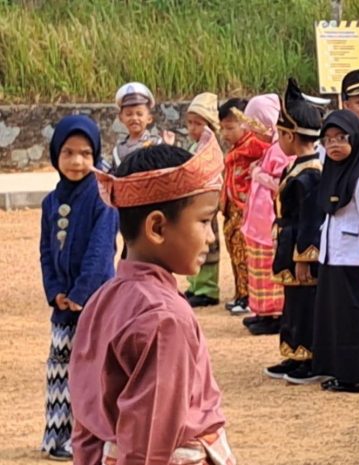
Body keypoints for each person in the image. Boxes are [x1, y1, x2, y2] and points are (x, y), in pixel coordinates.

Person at [70, 144, 235, 465]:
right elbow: (148, 442)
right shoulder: (165, 319)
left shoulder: (100, 301)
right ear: (157, 228)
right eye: (204, 221)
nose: (212, 237)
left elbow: (87, 420)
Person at [39, 116, 118, 461]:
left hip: (94, 305)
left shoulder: (103, 197)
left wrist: (81, 295)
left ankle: (87, 440)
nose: (76, 162)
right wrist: (55, 291)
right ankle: (57, 437)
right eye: (68, 153)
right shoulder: (50, 202)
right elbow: (45, 252)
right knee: (60, 368)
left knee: (91, 373)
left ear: (96, 155)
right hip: (62, 307)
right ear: (55, 154)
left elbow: (100, 252)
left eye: (86, 154)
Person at [312, 109, 359, 393]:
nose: (335, 145)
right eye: (328, 140)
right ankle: (340, 370)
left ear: (355, 139)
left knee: (354, 316)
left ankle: (358, 374)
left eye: (341, 138)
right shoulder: (330, 172)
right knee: (336, 315)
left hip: (354, 257)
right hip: (332, 255)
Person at [264, 80, 325, 383]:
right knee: (293, 303)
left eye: (279, 134)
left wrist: (304, 257)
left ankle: (310, 356)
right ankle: (293, 353)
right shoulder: (297, 166)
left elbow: (311, 219)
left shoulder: (310, 172)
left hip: (300, 248)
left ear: (289, 135)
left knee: (305, 305)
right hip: (288, 243)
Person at [232, 95, 290, 335]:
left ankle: (275, 313)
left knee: (269, 269)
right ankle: (263, 310)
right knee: (259, 267)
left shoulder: (281, 149)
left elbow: (285, 181)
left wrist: (259, 175)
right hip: (258, 222)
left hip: (269, 221)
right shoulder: (272, 148)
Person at [219, 97, 271, 315]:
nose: (224, 133)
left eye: (230, 128)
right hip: (232, 206)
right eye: (222, 128)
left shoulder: (256, 144)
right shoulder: (236, 148)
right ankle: (241, 293)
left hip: (247, 207)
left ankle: (249, 296)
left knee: (245, 252)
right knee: (234, 249)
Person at [184, 92, 224, 308]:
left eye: (197, 123)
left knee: (208, 246)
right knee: (192, 243)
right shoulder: (194, 147)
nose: (192, 128)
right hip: (193, 204)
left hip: (206, 204)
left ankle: (208, 288)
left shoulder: (210, 149)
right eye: (189, 123)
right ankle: (195, 284)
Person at [111, 82, 164, 170]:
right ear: (121, 118)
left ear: (149, 118)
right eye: (129, 114)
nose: (134, 118)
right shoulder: (118, 150)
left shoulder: (156, 143)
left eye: (139, 114)